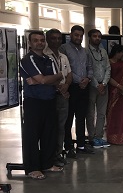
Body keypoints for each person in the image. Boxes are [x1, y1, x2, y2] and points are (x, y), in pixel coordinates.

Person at [20, 31, 64, 179]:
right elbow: (45, 79)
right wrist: (46, 79)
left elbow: (59, 78)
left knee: (49, 133)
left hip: (50, 99)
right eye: (36, 40)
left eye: (41, 40)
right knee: (32, 134)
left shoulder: (48, 59)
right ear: (30, 43)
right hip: (34, 101)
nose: (39, 43)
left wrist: (42, 79)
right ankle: (33, 168)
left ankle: (47, 163)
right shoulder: (28, 59)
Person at [60, 25, 94, 156]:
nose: (78, 38)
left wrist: (87, 78)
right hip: (71, 87)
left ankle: (81, 145)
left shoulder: (85, 51)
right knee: (69, 118)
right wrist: (80, 80)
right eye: (76, 35)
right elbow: (65, 69)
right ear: (71, 35)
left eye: (81, 36)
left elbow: (89, 67)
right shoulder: (64, 49)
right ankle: (68, 147)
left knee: (81, 117)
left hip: (84, 87)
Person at [44, 29, 72, 167]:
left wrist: (66, 85)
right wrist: (59, 88)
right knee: (50, 126)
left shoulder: (63, 57)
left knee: (61, 126)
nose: (56, 41)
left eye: (59, 38)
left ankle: (58, 153)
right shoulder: (44, 56)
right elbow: (44, 77)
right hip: (49, 96)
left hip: (63, 96)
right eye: (53, 38)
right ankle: (49, 155)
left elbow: (69, 74)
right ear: (47, 39)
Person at [86, 29, 111, 149]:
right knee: (90, 113)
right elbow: (88, 70)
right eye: (94, 36)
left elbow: (108, 68)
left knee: (102, 113)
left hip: (104, 86)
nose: (97, 38)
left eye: (99, 36)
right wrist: (97, 85)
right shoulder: (86, 52)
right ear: (89, 38)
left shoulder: (103, 51)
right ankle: (91, 137)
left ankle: (99, 136)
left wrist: (104, 83)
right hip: (91, 86)